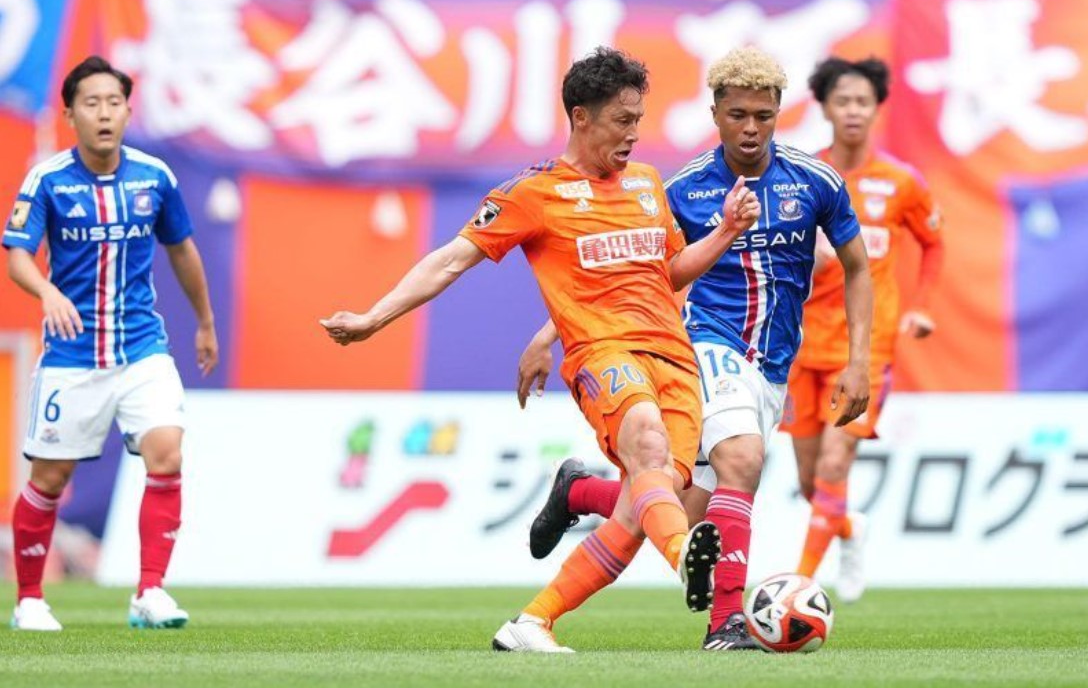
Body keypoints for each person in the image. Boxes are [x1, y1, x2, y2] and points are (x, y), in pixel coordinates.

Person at [320, 47, 761, 652]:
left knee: (642, 505)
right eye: (622, 120)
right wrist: (375, 317)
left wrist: (727, 231)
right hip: (603, 353)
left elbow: (670, 272)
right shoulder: (535, 192)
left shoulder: (646, 183)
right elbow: (450, 261)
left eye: (638, 119)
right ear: (581, 117)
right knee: (648, 447)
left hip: (676, 361)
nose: (634, 134)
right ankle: (685, 554)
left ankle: (530, 623)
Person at [518, 47, 873, 650]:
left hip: (772, 365)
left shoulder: (816, 181)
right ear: (715, 114)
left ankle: (579, 490)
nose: (751, 128)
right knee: (742, 460)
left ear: (780, 111)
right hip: (705, 344)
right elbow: (629, 277)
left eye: (763, 115)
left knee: (682, 508)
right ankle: (726, 624)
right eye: (738, 115)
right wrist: (547, 335)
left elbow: (858, 267)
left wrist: (859, 361)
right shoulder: (682, 190)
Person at [4, 56, 218, 631]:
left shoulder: (155, 177)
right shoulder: (48, 180)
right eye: (92, 103)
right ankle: (29, 599)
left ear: (126, 111)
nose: (104, 113)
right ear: (71, 115)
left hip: (141, 348)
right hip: (72, 355)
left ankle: (150, 592)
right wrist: (47, 291)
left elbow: (182, 249)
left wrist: (204, 322)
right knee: (49, 480)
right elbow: (18, 254)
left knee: (167, 453)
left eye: (114, 103)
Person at [783, 56, 944, 604]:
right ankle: (849, 528)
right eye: (843, 101)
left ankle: (798, 586)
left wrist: (921, 307)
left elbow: (934, 243)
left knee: (836, 461)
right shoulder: (802, 176)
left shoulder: (900, 183)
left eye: (863, 102)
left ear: (877, 109)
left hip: (864, 347)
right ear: (825, 109)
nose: (853, 111)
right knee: (811, 481)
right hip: (801, 343)